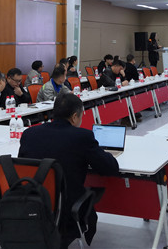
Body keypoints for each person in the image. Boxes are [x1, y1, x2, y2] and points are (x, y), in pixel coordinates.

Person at [19, 94, 119, 248]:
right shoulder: (82, 137)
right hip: (65, 211)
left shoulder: (29, 134)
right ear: (74, 117)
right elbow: (110, 168)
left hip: (32, 203)